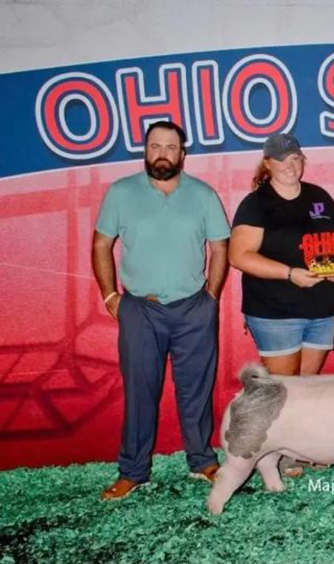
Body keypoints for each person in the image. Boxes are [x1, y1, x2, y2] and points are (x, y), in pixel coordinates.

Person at [92, 120, 230, 500]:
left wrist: (211, 297)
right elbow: (101, 244)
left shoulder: (203, 194)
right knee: (139, 392)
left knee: (196, 390)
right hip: (140, 309)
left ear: (182, 154)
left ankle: (202, 461)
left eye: (171, 147)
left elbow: (220, 247)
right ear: (145, 150)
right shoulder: (121, 192)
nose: (162, 154)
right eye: (155, 146)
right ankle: (133, 471)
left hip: (194, 309)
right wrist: (110, 296)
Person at [228, 133, 334, 377]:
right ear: (267, 163)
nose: (290, 166)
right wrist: (289, 273)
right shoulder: (256, 203)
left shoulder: (319, 196)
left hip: (322, 309)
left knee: (308, 388)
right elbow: (239, 256)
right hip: (275, 312)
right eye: (281, 159)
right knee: (285, 390)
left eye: (295, 158)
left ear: (303, 160)